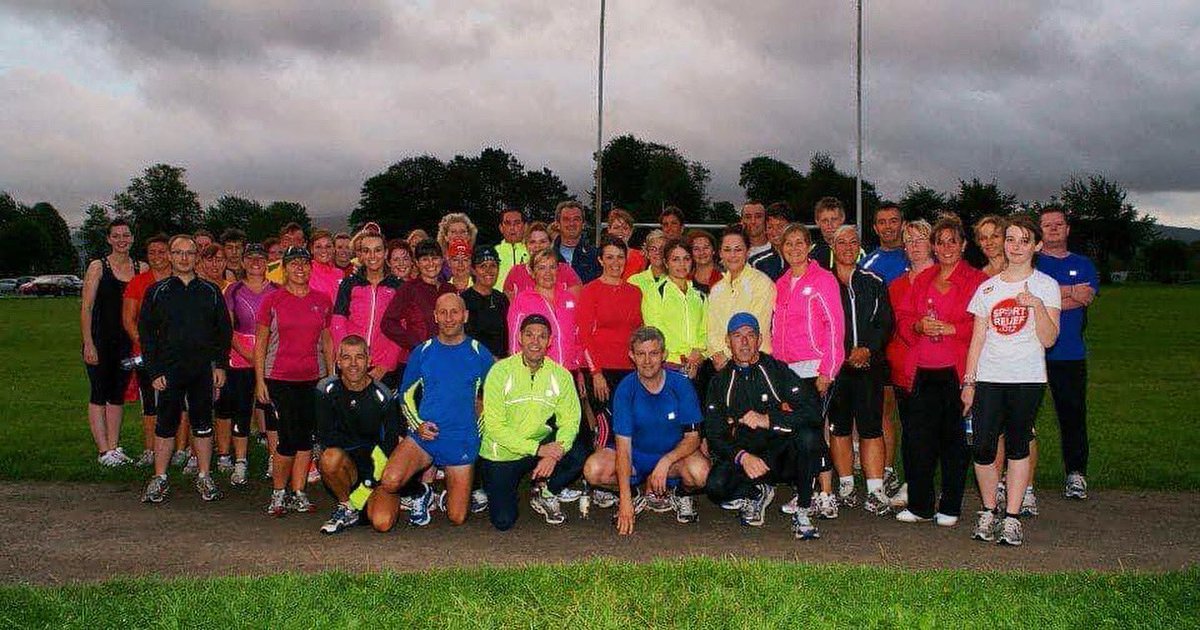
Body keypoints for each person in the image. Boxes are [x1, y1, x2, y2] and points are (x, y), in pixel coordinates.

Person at [964, 214, 1061, 546]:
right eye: (1010, 239)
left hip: (1027, 378)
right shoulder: (987, 287)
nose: (1016, 247)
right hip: (989, 377)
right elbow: (977, 339)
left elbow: (1049, 339)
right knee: (983, 447)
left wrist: (1036, 306)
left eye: (1024, 240)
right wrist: (969, 382)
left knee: (1019, 445)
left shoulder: (1046, 286)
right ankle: (989, 509)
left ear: (1037, 246)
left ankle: (1012, 517)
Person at [891, 216, 986, 527]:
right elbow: (904, 318)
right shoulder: (923, 279)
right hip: (922, 370)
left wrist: (952, 328)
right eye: (940, 242)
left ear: (963, 245)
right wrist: (919, 326)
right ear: (933, 246)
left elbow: (982, 325)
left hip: (956, 371)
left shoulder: (976, 280)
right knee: (919, 440)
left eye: (952, 242)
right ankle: (920, 505)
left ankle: (950, 506)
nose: (946, 248)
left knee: (954, 441)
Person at [371, 293, 495, 530]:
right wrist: (417, 425)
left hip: (460, 439)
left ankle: (445, 492)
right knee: (390, 481)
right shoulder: (423, 351)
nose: (449, 318)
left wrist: (476, 433)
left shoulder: (480, 353)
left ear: (465, 316)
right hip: (426, 436)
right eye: (443, 313)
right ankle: (420, 491)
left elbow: (493, 399)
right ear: (435, 316)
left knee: (457, 517)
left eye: (454, 312)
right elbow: (405, 394)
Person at [704, 313, 825, 540]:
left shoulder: (777, 370)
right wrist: (742, 456)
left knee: (809, 437)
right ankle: (757, 492)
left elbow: (812, 413)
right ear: (728, 341)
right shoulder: (720, 381)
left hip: (779, 453)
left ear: (759, 340)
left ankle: (803, 509)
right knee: (716, 487)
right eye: (737, 336)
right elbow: (714, 433)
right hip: (747, 455)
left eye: (750, 335)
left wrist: (769, 419)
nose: (744, 342)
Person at [584, 326, 710, 533]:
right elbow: (623, 449)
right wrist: (625, 501)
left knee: (701, 473)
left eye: (653, 353)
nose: (647, 360)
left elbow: (693, 438)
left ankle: (680, 493)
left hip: (673, 458)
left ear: (664, 355)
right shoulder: (625, 389)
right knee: (593, 469)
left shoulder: (681, 385)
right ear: (631, 356)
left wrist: (666, 461)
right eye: (641, 354)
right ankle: (634, 494)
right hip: (636, 457)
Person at [139, 234, 232, 503]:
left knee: (202, 423)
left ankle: (204, 475)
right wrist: (154, 370)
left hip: (202, 369)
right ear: (170, 256)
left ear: (196, 257)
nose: (184, 258)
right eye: (178, 253)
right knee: (165, 423)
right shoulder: (157, 291)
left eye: (189, 253)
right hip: (169, 370)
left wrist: (220, 365)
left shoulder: (210, 292)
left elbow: (223, 331)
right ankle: (160, 477)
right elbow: (147, 334)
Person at [479, 314, 587, 530]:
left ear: (550, 341)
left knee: (578, 450)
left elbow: (570, 420)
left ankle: (547, 491)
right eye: (529, 335)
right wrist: (539, 450)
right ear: (519, 338)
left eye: (542, 336)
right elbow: (495, 427)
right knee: (503, 521)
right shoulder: (500, 371)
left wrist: (554, 453)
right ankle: (499, 486)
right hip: (502, 452)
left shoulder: (561, 375)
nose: (535, 341)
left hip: (539, 444)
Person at [255, 246, 335, 517]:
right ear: (285, 268)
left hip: (312, 378)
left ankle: (299, 491)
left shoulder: (322, 300)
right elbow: (261, 343)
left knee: (305, 437)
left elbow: (327, 341)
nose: (300, 268)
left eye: (304, 263)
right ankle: (279, 492)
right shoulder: (272, 300)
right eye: (294, 263)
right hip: (279, 377)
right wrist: (259, 380)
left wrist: (330, 377)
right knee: (288, 438)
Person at [771, 222, 844, 517]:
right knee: (801, 433)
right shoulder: (780, 284)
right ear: (782, 248)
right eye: (788, 244)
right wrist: (778, 372)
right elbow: (776, 330)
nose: (794, 249)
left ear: (809, 246)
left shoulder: (823, 279)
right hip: (789, 372)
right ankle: (809, 493)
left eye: (799, 242)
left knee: (812, 431)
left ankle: (825, 494)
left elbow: (835, 326)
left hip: (816, 368)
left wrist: (828, 370)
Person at [828, 226, 894, 515]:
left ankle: (875, 489)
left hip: (868, 366)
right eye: (841, 242)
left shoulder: (874, 280)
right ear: (833, 246)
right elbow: (822, 325)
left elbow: (885, 322)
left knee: (870, 427)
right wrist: (843, 354)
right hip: (836, 367)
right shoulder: (824, 282)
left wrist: (867, 349)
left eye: (852, 242)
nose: (847, 247)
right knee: (839, 426)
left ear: (859, 246)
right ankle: (845, 485)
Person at [1036, 206, 1099, 500]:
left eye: (1058, 224)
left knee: (1072, 416)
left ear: (1067, 229)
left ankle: (1076, 474)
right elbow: (1028, 299)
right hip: (1032, 353)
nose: (1053, 228)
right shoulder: (1032, 261)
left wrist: (1049, 297)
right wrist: (1070, 291)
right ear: (1040, 230)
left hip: (1070, 353)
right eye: (1047, 225)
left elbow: (1086, 297)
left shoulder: (1083, 263)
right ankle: (1018, 480)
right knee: (1021, 418)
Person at [314, 335, 404, 535]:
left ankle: (382, 499)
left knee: (382, 523)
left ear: (369, 360)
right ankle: (347, 506)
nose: (353, 364)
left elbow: (389, 447)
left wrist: (369, 484)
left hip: (377, 471)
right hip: (347, 467)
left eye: (359, 357)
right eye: (346, 357)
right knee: (329, 458)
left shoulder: (383, 396)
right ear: (338, 362)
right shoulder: (325, 390)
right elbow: (326, 438)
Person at [577, 238, 644, 506]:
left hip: (629, 371)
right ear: (600, 260)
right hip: (601, 372)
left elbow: (639, 332)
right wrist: (595, 372)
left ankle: (625, 481)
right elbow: (584, 335)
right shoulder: (590, 291)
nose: (616, 263)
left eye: (620, 257)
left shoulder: (635, 292)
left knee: (627, 427)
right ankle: (601, 482)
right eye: (610, 257)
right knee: (604, 428)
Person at [82, 218, 145, 467]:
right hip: (100, 341)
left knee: (118, 393)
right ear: (109, 239)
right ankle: (103, 450)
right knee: (99, 392)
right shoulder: (99, 267)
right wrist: (88, 343)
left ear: (132, 238)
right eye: (116, 236)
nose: (121, 240)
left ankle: (114, 446)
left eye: (126, 235)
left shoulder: (141, 268)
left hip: (127, 343)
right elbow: (87, 308)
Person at [883, 219, 937, 508]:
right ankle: (913, 482)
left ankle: (929, 485)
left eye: (920, 239)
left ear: (932, 244)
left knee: (935, 429)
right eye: (909, 240)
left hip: (938, 366)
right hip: (904, 368)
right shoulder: (896, 285)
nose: (914, 245)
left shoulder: (944, 278)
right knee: (911, 428)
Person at [217, 243, 277, 486]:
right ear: (242, 262)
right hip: (241, 356)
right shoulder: (233, 290)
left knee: (271, 408)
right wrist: (249, 354)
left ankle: (274, 457)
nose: (255, 263)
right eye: (250, 258)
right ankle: (240, 460)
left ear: (267, 263)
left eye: (260, 258)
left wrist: (264, 356)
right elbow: (226, 326)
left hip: (270, 355)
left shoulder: (277, 289)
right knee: (241, 409)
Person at [333, 232, 405, 390]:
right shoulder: (349, 284)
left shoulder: (398, 287)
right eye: (366, 250)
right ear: (360, 255)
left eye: (377, 250)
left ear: (385, 252)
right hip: (351, 366)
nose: (372, 256)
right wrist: (345, 358)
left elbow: (401, 327)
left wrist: (385, 364)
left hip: (383, 369)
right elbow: (338, 321)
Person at [123, 233, 172, 467]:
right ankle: (150, 449)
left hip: (176, 353)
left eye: (161, 252)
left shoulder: (179, 280)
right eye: (152, 252)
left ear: (170, 254)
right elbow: (128, 319)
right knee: (150, 404)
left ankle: (180, 450)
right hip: (146, 354)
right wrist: (146, 346)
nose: (157, 256)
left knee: (179, 403)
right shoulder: (138, 282)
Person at [381, 239, 456, 375]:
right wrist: (415, 343)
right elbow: (388, 323)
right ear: (416, 262)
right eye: (425, 259)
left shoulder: (450, 289)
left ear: (442, 260)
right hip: (420, 361)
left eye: (435, 258)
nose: (431, 264)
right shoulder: (409, 288)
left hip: (448, 357)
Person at [707, 225, 775, 373]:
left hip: (756, 364)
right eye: (727, 250)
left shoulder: (762, 283)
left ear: (747, 252)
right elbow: (712, 329)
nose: (732, 255)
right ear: (720, 253)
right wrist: (716, 354)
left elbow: (755, 329)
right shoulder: (717, 289)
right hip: (722, 366)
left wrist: (727, 355)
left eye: (738, 249)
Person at [640, 238, 707, 381]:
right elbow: (655, 331)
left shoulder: (699, 294)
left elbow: (705, 328)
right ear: (666, 262)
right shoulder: (655, 292)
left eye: (686, 259)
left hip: (697, 365)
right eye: (675, 259)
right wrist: (683, 357)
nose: (682, 264)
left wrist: (698, 353)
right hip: (668, 365)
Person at [507, 249, 581, 371]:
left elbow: (577, 335)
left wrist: (577, 365)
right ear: (532, 272)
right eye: (541, 268)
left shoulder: (569, 298)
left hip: (569, 372)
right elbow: (515, 341)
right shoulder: (522, 301)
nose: (548, 273)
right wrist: (521, 371)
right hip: (537, 371)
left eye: (552, 267)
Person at [503, 222, 582, 297]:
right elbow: (509, 304)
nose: (537, 246)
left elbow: (577, 301)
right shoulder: (516, 272)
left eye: (543, 241)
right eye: (532, 242)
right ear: (526, 245)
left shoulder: (565, 270)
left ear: (551, 244)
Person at [462, 246, 510, 359]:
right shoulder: (464, 300)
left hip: (502, 364)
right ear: (473, 270)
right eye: (483, 266)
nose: (488, 271)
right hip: (474, 362)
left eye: (493, 265)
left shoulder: (502, 299)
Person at [554, 200, 601, 283]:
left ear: (583, 224)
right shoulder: (547, 256)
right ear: (557, 224)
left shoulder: (596, 257)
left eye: (576, 219)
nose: (571, 223)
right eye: (566, 219)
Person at [810, 197, 863, 270]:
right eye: (824, 220)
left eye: (834, 219)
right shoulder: (810, 253)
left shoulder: (858, 251)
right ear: (817, 222)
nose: (830, 225)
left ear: (842, 219)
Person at [860, 204, 908, 285]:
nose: (887, 226)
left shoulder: (916, 258)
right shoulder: (864, 266)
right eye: (882, 222)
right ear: (875, 228)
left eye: (893, 221)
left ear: (903, 225)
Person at [749, 202, 789, 280]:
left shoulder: (803, 257)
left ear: (791, 227)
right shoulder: (757, 263)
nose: (774, 231)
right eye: (770, 227)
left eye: (780, 226)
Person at [436, 213, 478, 280]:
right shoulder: (437, 262)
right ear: (446, 237)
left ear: (469, 236)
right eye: (453, 232)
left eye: (462, 232)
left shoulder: (477, 260)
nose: (458, 235)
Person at [494, 207, 528, 289]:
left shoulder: (533, 252)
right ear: (501, 228)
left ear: (525, 227)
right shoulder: (492, 253)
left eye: (517, 223)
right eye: (507, 223)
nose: (512, 227)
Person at [606, 208, 645, 279]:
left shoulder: (641, 256)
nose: (620, 231)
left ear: (631, 231)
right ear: (609, 229)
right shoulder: (601, 255)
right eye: (616, 227)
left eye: (625, 228)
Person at [307, 229, 345, 302]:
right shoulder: (306, 271)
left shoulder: (340, 273)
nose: (324, 250)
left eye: (328, 246)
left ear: (334, 249)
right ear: (311, 250)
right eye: (318, 247)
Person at [627, 229, 667, 295]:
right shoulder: (634, 281)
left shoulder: (676, 279)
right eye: (653, 249)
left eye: (662, 249)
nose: (658, 252)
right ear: (647, 253)